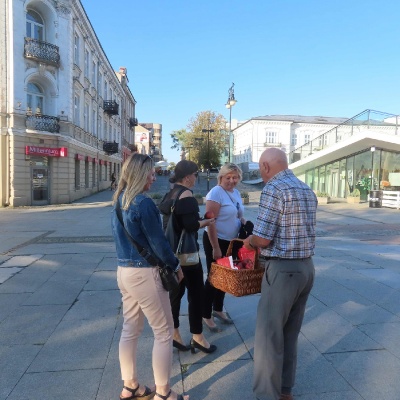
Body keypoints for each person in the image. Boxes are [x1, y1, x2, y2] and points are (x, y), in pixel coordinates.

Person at [111, 153, 188, 400]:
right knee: (164, 332)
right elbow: (159, 243)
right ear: (139, 174)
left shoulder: (120, 200)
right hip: (145, 274)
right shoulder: (142, 203)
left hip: (124, 271)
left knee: (130, 329)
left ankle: (130, 385)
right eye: (150, 173)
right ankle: (164, 393)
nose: (154, 178)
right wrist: (176, 265)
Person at [243, 148, 317, 400]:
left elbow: (263, 238)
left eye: (260, 170)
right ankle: (285, 391)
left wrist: (249, 241)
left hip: (283, 270)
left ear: (265, 166)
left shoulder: (274, 189)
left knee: (268, 338)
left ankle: (266, 395)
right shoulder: (305, 188)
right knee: (290, 334)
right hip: (306, 267)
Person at [159, 160, 217, 354]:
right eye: (195, 174)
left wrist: (197, 220)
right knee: (196, 294)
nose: (196, 178)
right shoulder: (188, 196)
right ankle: (198, 337)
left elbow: (178, 222)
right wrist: (207, 222)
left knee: (176, 294)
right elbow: (191, 226)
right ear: (187, 177)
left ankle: (174, 333)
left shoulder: (171, 193)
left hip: (171, 253)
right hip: (188, 256)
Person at [202, 163, 247, 331]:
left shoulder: (235, 193)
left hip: (232, 242)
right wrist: (215, 247)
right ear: (220, 177)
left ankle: (218, 309)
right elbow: (210, 221)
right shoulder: (215, 193)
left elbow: (237, 213)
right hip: (217, 240)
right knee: (214, 279)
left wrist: (242, 221)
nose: (231, 181)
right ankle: (205, 314)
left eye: (235, 177)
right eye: (228, 177)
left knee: (225, 278)